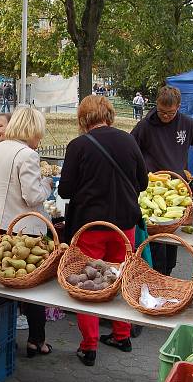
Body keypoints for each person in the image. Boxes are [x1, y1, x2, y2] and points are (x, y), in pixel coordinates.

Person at [59, 95, 148, 367]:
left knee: (87, 283)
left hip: (91, 227)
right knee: (121, 278)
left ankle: (89, 346)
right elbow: (142, 182)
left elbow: (65, 190)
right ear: (108, 114)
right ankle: (122, 335)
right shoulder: (128, 140)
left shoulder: (78, 146)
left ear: (83, 119)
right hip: (124, 226)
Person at [0, 106, 53, 358]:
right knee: (31, 285)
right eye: (39, 133)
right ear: (32, 130)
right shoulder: (27, 155)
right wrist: (47, 184)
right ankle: (36, 340)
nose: (39, 139)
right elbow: (32, 196)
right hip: (22, 229)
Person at [131, 85, 193, 275]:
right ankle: (157, 274)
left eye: (170, 112)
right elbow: (130, 151)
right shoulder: (145, 126)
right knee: (157, 241)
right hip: (151, 191)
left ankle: (167, 272)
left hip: (177, 189)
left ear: (179, 106)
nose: (165, 116)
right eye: (161, 111)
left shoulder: (188, 124)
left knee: (172, 238)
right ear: (156, 105)